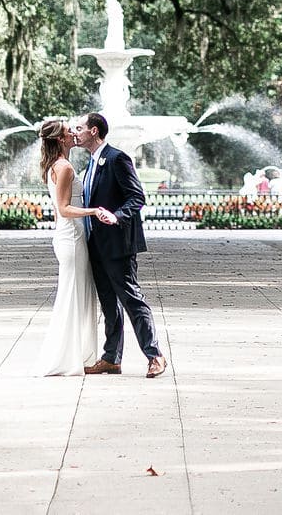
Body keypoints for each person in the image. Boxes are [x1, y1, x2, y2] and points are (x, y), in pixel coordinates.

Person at [72, 112, 169, 379]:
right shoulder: (91, 163)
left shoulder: (117, 158)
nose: (74, 132)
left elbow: (137, 197)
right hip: (96, 246)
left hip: (118, 245)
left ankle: (155, 355)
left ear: (94, 131)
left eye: (79, 128)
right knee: (108, 305)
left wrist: (117, 217)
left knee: (132, 300)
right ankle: (111, 358)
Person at [34, 119, 113, 376]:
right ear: (60, 139)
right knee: (73, 296)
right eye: (70, 132)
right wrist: (94, 211)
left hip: (67, 236)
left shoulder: (55, 166)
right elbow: (64, 209)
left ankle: (77, 354)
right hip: (73, 237)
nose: (74, 134)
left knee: (76, 294)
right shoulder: (65, 167)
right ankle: (70, 357)